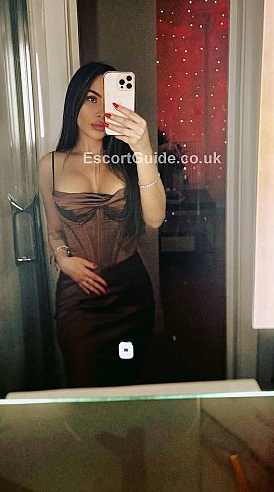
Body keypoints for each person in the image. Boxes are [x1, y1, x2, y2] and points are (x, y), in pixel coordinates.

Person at [38, 62, 166, 388]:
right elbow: (54, 228)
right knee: (84, 386)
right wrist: (63, 259)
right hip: (79, 295)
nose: (100, 111)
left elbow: (154, 219)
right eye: (91, 99)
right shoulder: (50, 165)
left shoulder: (130, 161)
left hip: (131, 291)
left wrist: (143, 149)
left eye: (109, 101)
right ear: (75, 102)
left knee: (132, 388)